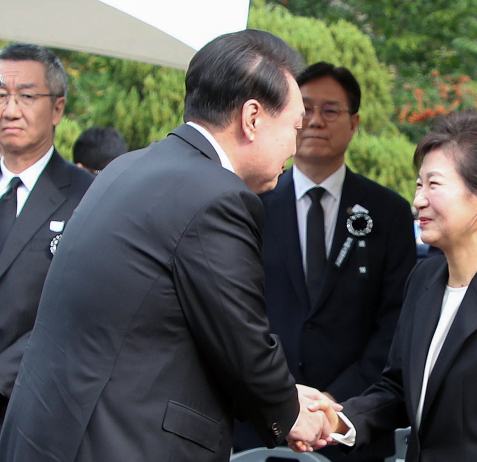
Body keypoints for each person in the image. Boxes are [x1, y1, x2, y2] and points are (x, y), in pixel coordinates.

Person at [0, 30, 338, 461]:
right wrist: (291, 413)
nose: (295, 145)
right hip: (116, 441)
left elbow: (160, 328)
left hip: (54, 432)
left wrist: (282, 396)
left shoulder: (131, 165)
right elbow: (242, 340)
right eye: (294, 126)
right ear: (252, 117)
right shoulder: (217, 195)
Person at [294, 110, 477, 461]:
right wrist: (338, 419)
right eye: (419, 184)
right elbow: (397, 389)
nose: (419, 200)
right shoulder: (424, 279)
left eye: (434, 184)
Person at [234, 62, 416, 460]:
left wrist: (331, 406)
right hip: (259, 422)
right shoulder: (249, 203)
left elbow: (395, 322)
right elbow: (236, 312)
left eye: (330, 110)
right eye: (305, 110)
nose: (316, 121)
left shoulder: (388, 213)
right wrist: (280, 398)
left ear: (354, 123)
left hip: (350, 426)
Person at [0, 43, 93, 424]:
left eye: (26, 96)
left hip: (31, 407)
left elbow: (79, 307)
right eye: (1, 95)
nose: (9, 110)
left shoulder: (85, 196)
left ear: (57, 108)